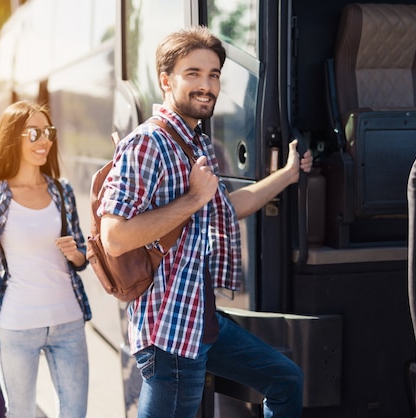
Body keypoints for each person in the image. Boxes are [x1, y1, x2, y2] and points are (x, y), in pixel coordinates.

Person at [98, 26, 311, 418]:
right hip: (170, 336)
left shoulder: (195, 143)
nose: (206, 85)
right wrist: (193, 198)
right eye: (192, 73)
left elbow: (224, 206)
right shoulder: (148, 143)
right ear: (166, 81)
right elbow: (114, 237)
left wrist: (287, 175)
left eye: (213, 75)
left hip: (201, 320)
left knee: (285, 380)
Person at [0, 101, 92, 418]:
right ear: (13, 137)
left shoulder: (61, 190)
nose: (44, 140)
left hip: (68, 321)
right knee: (21, 413)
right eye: (34, 133)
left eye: (48, 132)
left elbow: (82, 256)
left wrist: (75, 254)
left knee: (75, 412)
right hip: (16, 324)